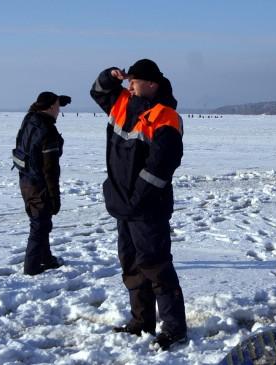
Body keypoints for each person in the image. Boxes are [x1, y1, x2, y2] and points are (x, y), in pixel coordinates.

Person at [90, 59, 187, 350]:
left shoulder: (165, 116)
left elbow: (162, 164)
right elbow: (98, 92)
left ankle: (174, 327)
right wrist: (110, 76)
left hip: (147, 208)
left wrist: (137, 199)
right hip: (123, 205)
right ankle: (141, 320)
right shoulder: (121, 102)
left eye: (135, 80)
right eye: (128, 80)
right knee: (131, 265)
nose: (129, 84)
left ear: (152, 84)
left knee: (156, 267)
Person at [12, 91, 71, 276]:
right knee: (39, 225)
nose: (59, 111)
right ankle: (32, 269)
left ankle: (46, 259)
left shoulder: (30, 118)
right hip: (39, 184)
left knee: (42, 222)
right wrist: (55, 198)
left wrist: (58, 100)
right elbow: (50, 170)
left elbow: (35, 106)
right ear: (51, 107)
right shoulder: (48, 131)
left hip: (25, 180)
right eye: (58, 107)